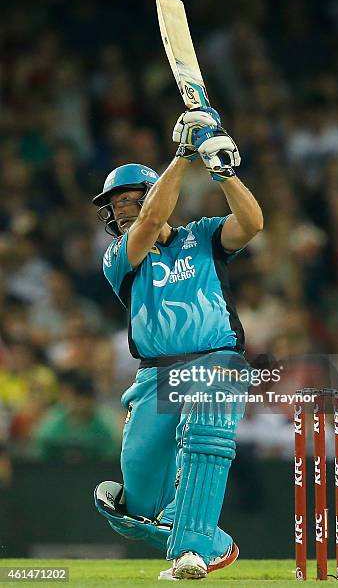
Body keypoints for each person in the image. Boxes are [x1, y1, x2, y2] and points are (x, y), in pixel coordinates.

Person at [92, 107, 263, 580]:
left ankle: (191, 551)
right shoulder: (119, 257)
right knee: (136, 506)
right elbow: (148, 225)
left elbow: (250, 224)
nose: (122, 211)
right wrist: (184, 154)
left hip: (216, 359)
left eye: (130, 200)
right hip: (155, 375)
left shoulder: (202, 237)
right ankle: (213, 541)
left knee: (205, 429)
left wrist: (223, 172)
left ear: (155, 194)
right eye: (116, 205)